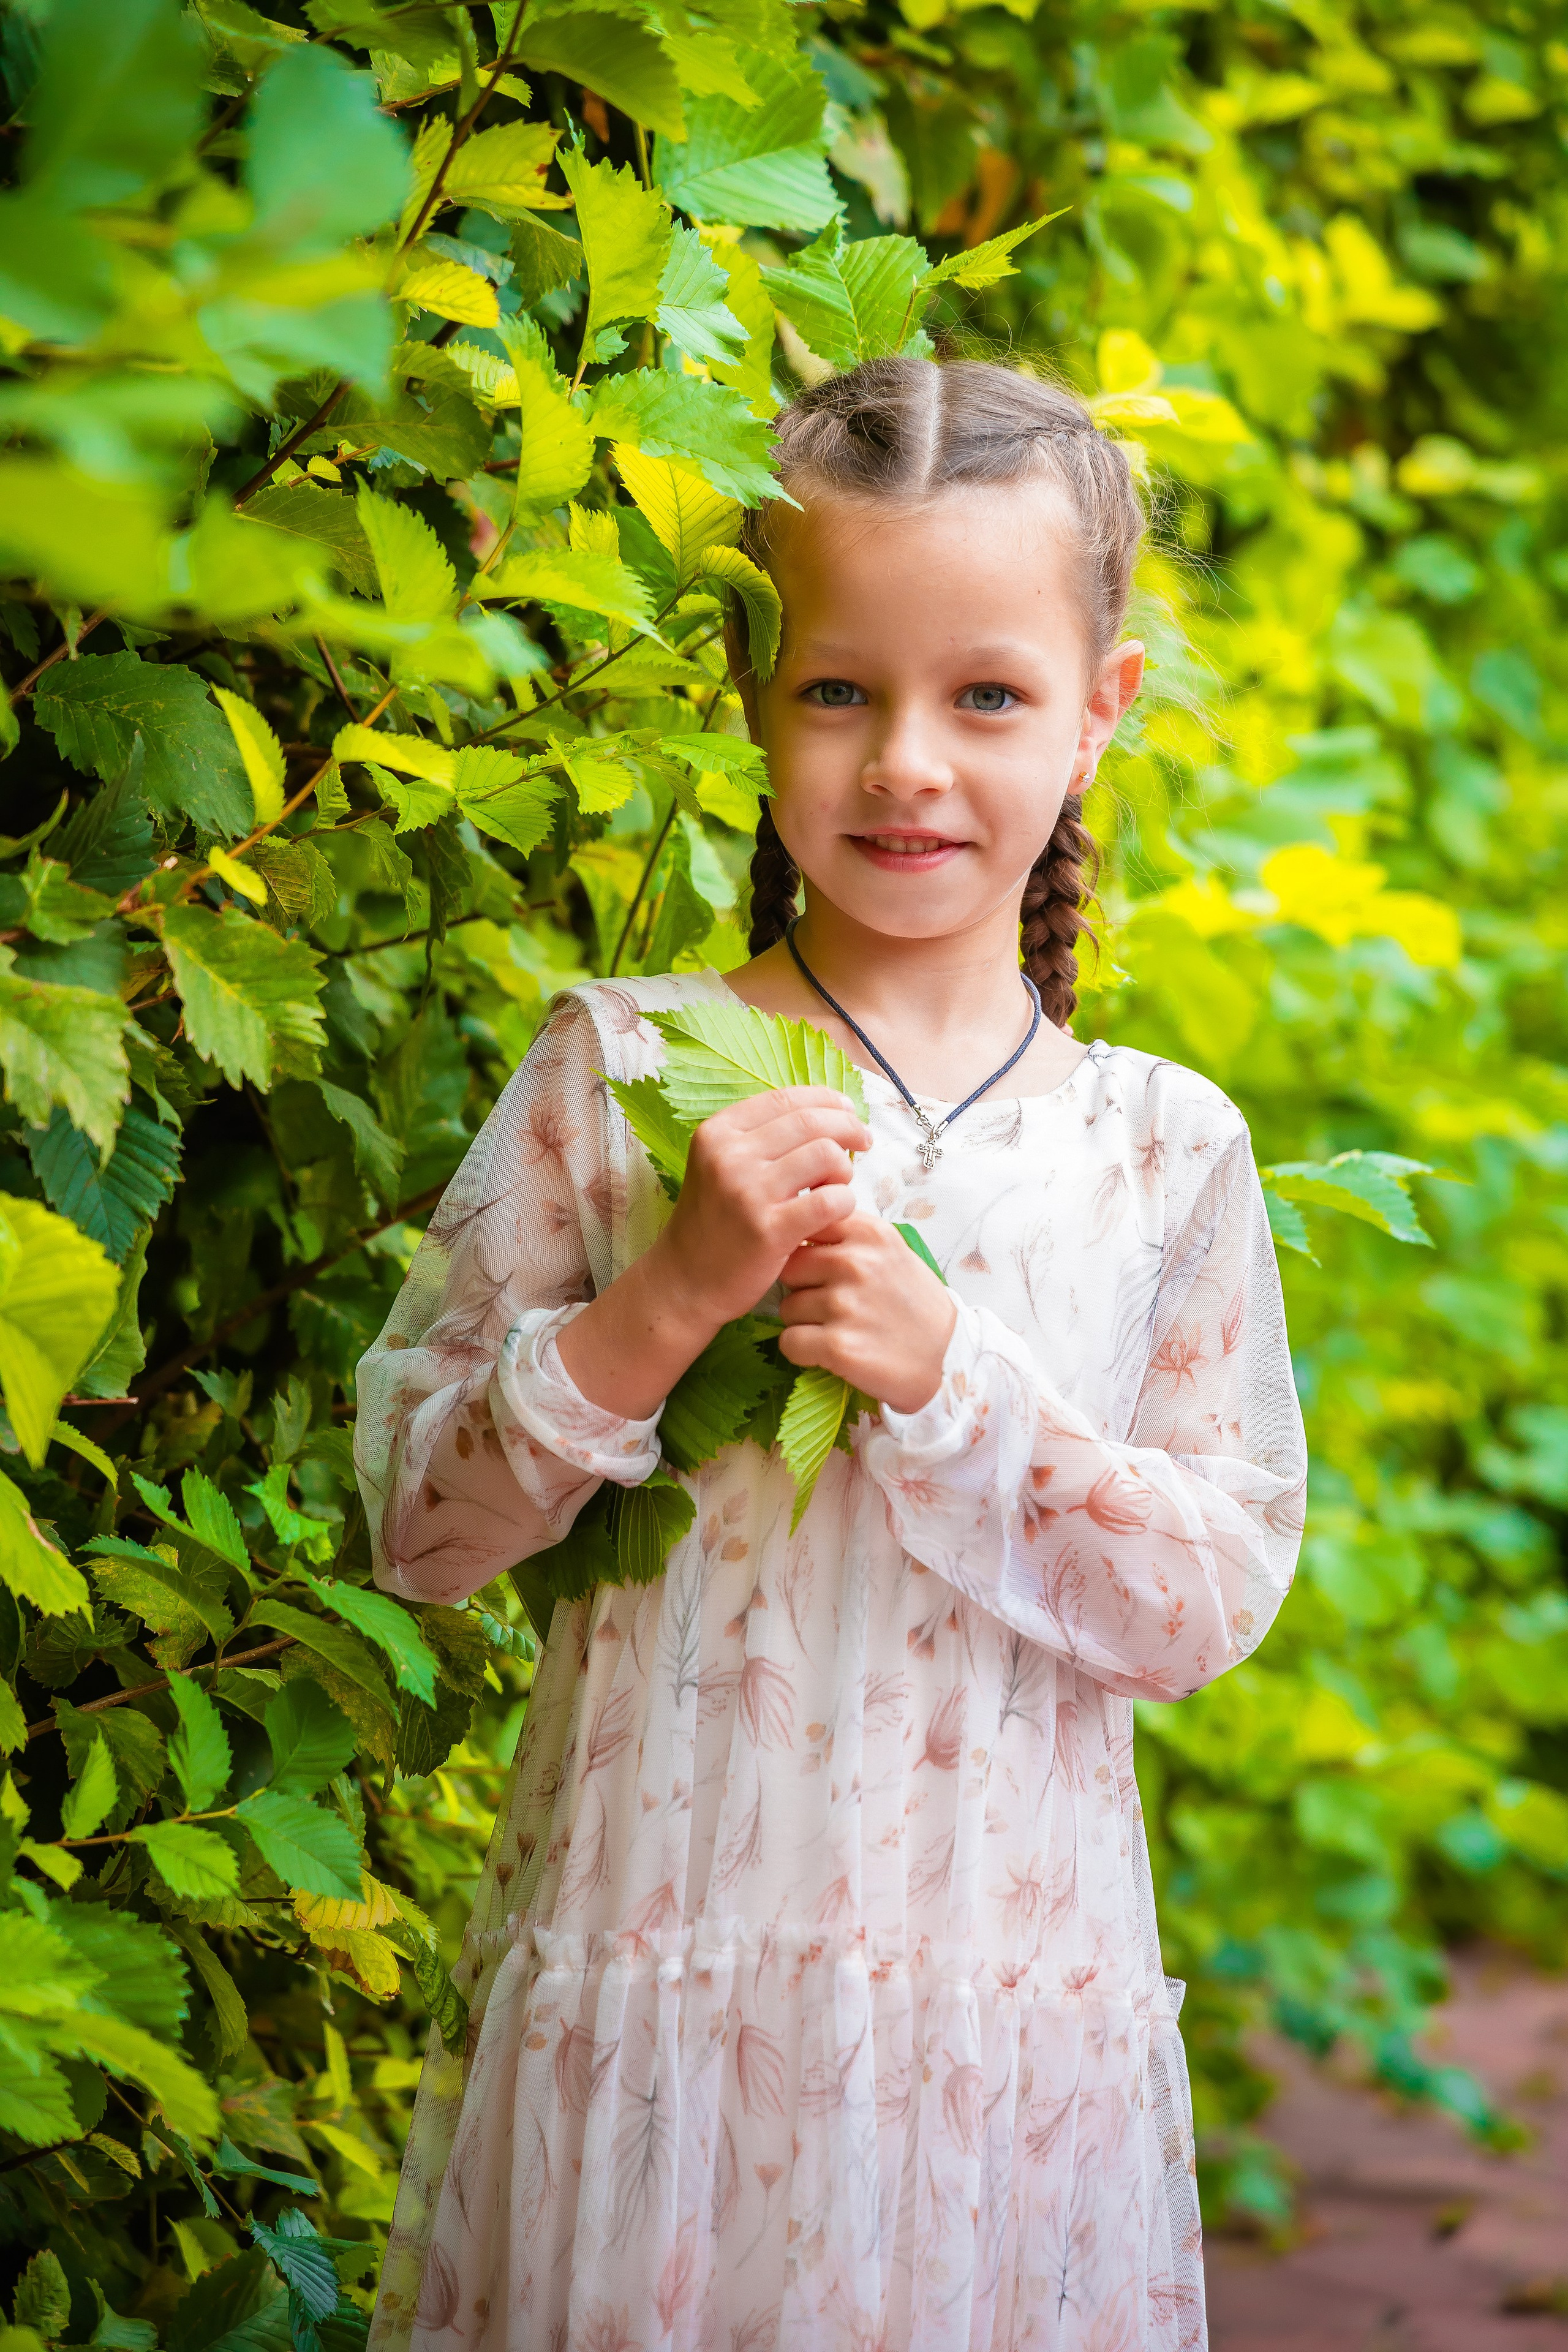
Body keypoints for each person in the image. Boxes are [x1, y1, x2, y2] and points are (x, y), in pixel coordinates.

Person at [357, 355, 1308, 2352]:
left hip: (1001, 2019)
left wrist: (961, 1381)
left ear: (1100, 711)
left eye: (986, 695)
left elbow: (1206, 1593)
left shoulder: (1159, 1144)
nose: (904, 765)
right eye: (836, 690)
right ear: (750, 695)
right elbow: (420, 1532)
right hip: (661, 1993)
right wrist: (660, 1302)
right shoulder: (615, 1068)